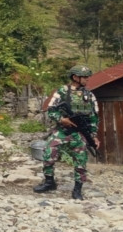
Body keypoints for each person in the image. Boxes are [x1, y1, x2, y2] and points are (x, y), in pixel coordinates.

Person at [34, 65, 100, 200]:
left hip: (79, 132)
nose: (87, 79)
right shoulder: (62, 91)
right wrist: (61, 119)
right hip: (62, 131)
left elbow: (94, 117)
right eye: (85, 77)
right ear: (75, 77)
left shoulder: (90, 95)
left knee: (81, 161)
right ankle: (49, 182)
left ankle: (77, 190)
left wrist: (93, 136)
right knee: (48, 153)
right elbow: (51, 109)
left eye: (88, 77)